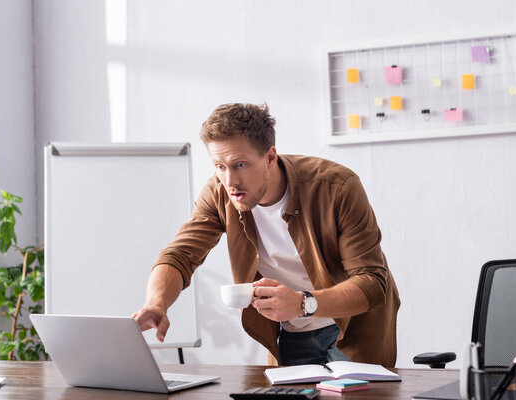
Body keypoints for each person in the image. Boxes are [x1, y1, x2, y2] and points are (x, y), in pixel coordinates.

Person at [133, 103, 400, 367]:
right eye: (219, 166)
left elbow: (372, 283)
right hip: (291, 329)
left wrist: (303, 303)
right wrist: (157, 304)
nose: (229, 181)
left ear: (270, 157)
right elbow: (180, 254)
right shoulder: (218, 193)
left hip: (351, 327)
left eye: (240, 164)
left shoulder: (337, 187)